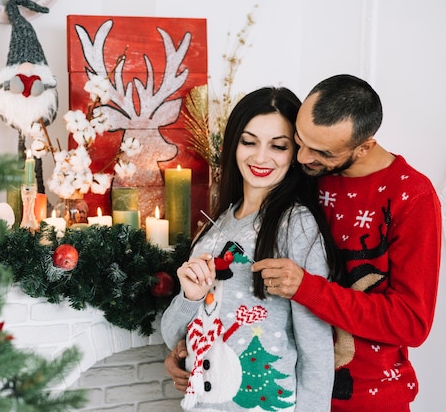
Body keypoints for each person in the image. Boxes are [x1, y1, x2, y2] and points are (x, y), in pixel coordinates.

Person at [166, 75, 442, 412]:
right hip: (286, 387)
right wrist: (190, 355)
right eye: (299, 140)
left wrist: (307, 289)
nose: (302, 156)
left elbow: (411, 322)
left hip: (366, 395)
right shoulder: (309, 176)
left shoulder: (411, 196)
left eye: (319, 151)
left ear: (363, 147)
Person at [161, 86, 342, 411]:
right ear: (233, 145)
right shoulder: (214, 227)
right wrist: (190, 298)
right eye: (249, 141)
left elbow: (316, 349)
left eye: (278, 146)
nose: (261, 157)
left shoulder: (296, 225)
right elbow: (173, 336)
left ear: (295, 153)